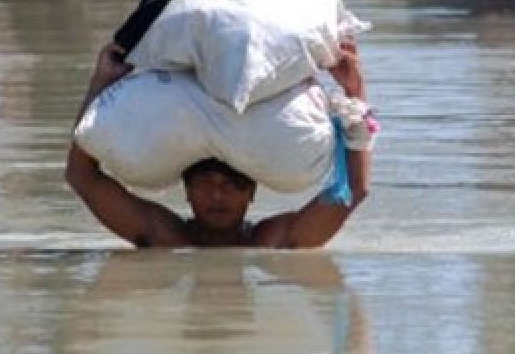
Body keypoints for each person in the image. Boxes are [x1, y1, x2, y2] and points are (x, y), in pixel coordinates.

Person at [65, 42, 374, 248]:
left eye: (232, 184)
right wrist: (101, 82)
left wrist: (354, 89)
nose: (217, 195)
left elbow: (355, 190)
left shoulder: (272, 241)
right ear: (185, 188)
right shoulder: (165, 236)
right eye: (204, 183)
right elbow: (82, 177)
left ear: (252, 191)